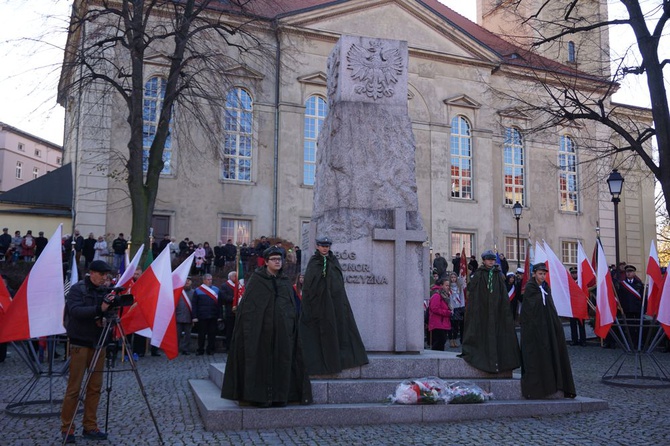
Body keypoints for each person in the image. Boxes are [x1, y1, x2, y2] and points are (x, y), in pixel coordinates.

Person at [221, 246, 312, 407]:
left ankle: (280, 397)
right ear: (266, 261)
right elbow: (249, 310)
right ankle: (259, 397)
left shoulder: (284, 281)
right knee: (260, 364)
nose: (278, 262)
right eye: (274, 259)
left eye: (280, 259)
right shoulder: (257, 281)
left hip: (283, 334)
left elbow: (290, 307)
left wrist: (289, 323)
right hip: (261, 334)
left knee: (282, 363)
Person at [60, 260, 115, 443]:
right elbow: (75, 311)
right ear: (92, 273)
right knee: (74, 388)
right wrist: (99, 309)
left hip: (98, 343)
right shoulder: (78, 289)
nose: (104, 278)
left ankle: (90, 426)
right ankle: (67, 428)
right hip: (79, 343)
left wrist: (106, 314)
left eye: (106, 275)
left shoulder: (104, 291)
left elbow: (104, 313)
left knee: (95, 388)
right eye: (102, 274)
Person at [299, 236, 368, 375]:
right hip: (318, 304)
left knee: (337, 328)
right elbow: (309, 284)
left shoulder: (333, 261)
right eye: (322, 245)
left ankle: (338, 359)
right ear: (317, 246)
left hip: (334, 302)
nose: (325, 248)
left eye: (327, 246)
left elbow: (338, 282)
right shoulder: (314, 262)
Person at [520, 263, 576, 399]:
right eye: (540, 273)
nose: (542, 276)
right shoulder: (531, 288)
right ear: (534, 274)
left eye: (544, 274)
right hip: (535, 328)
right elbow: (530, 308)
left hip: (548, 326)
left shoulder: (546, 287)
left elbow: (549, 305)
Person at [460, 250, 520, 374]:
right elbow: (473, 291)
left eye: (493, 259)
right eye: (489, 259)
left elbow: (502, 293)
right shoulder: (479, 274)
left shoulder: (498, 274)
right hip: (482, 310)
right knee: (483, 331)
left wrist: (502, 307)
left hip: (497, 310)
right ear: (484, 260)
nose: (491, 261)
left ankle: (498, 360)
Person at [191, 274, 221, 355]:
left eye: (211, 279)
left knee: (212, 334)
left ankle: (210, 349)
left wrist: (219, 316)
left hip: (213, 316)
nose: (210, 281)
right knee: (201, 334)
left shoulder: (216, 290)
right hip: (202, 316)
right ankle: (200, 349)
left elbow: (219, 304)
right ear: (204, 280)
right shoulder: (197, 290)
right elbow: (194, 305)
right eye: (208, 279)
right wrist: (194, 316)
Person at [428, 278, 452, 351]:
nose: (448, 287)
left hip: (443, 323)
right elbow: (434, 308)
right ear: (441, 285)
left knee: (441, 343)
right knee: (438, 344)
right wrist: (447, 312)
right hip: (438, 323)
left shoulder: (445, 296)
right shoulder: (437, 295)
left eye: (448, 285)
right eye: (446, 285)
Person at [218, 271, 238, 352]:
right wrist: (234, 299)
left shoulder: (238, 285)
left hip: (238, 312)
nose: (236, 278)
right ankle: (228, 347)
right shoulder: (224, 286)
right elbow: (224, 297)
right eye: (235, 276)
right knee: (229, 330)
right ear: (230, 277)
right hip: (229, 311)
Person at [568, 267, 587, 346]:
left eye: (575, 273)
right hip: (572, 307)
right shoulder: (568, 282)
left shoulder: (581, 283)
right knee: (573, 325)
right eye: (572, 273)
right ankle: (574, 340)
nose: (574, 274)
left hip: (580, 307)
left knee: (581, 325)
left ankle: (583, 340)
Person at [175, 277, 194, 355]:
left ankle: (185, 349)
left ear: (191, 282)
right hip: (178, 316)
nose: (187, 282)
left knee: (188, 335)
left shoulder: (194, 292)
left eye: (189, 280)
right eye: (186, 280)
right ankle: (175, 348)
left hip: (189, 317)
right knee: (177, 335)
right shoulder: (178, 291)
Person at [447, 272, 466, 347]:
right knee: (451, 325)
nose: (453, 279)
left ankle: (455, 339)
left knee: (456, 326)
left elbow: (462, 297)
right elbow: (448, 298)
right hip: (451, 308)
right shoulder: (448, 287)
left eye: (454, 277)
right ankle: (451, 340)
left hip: (458, 308)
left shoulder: (459, 287)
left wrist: (462, 306)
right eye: (452, 278)